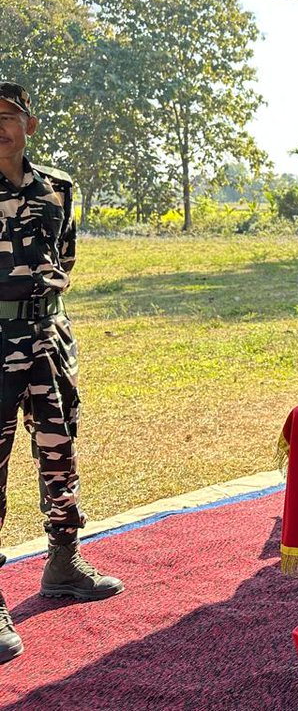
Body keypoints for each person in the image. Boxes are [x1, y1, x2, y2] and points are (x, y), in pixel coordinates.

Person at [0, 82, 124, 665]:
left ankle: (63, 562)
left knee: (59, 450)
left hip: (48, 337)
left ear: (30, 123)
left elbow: (62, 261)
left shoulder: (58, 188)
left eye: (8, 115)